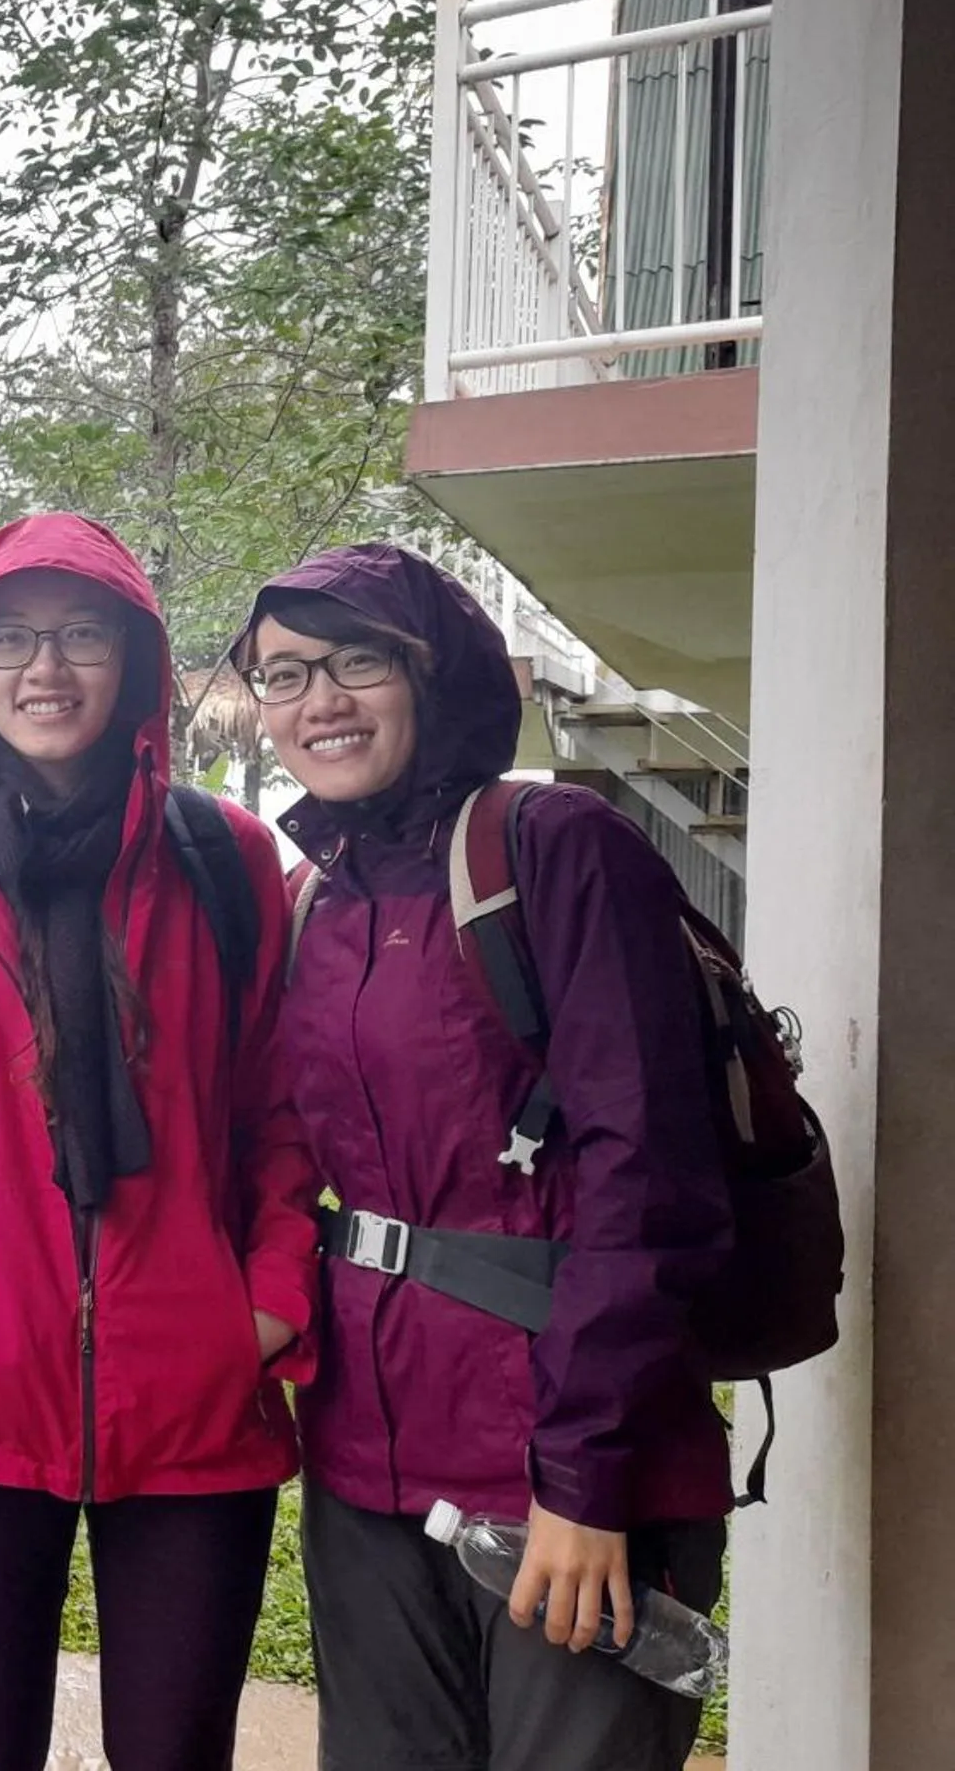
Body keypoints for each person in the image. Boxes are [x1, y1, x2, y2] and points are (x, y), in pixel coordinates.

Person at [0, 512, 317, 1771]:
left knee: (176, 1747)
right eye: (10, 641)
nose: (45, 669)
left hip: (195, 1390)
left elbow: (285, 1111)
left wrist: (262, 1303)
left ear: (134, 663)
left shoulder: (225, 860)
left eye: (82, 634)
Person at [235, 542, 732, 1771]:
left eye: (358, 661)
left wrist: (586, 1480)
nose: (319, 701)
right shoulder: (319, 898)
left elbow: (649, 1175)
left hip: (564, 1461)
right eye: (284, 673)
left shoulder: (550, 850)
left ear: (435, 673)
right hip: (366, 1459)